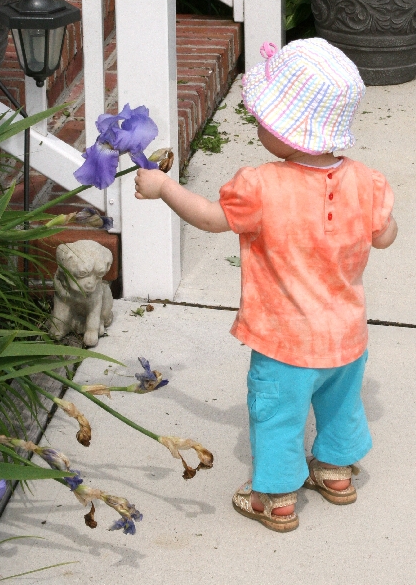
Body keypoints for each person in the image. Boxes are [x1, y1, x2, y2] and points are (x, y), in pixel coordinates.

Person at [134, 38, 398, 533]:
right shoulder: (368, 181)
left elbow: (213, 220)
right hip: (346, 336)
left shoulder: (261, 185)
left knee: (277, 415)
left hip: (284, 342)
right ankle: (336, 473)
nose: (258, 123)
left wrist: (165, 187)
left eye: (264, 117)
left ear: (288, 131)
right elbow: (384, 235)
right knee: (340, 404)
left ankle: (274, 497)